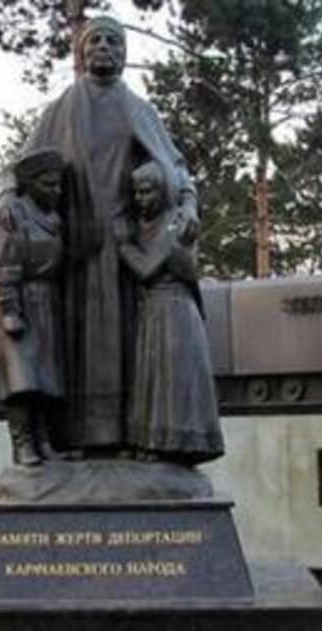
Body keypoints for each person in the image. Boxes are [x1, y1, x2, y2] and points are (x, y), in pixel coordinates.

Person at [0, 16, 199, 455]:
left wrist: (187, 205)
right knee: (69, 349)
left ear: (125, 53)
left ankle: (132, 436)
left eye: (113, 40)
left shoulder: (140, 110)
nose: (104, 47)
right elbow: (18, 166)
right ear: (81, 53)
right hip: (76, 251)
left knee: (130, 349)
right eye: (95, 41)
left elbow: (178, 169)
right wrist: (7, 196)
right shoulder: (63, 107)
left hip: (128, 250)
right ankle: (68, 438)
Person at [115, 161, 223, 464]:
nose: (140, 199)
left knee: (171, 381)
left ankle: (175, 445)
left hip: (174, 310)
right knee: (153, 381)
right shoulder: (146, 224)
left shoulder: (177, 222)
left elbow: (146, 268)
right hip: (153, 310)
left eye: (147, 192)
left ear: (162, 192)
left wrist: (123, 245)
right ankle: (151, 442)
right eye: (136, 193)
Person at [0, 148, 67, 466]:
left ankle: (44, 441)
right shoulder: (14, 216)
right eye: (49, 185)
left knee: (45, 380)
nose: (56, 191)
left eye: (58, 185)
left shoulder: (53, 218)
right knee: (21, 381)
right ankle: (23, 443)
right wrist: (10, 311)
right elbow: (2, 265)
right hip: (20, 301)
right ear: (30, 184)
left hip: (47, 302)